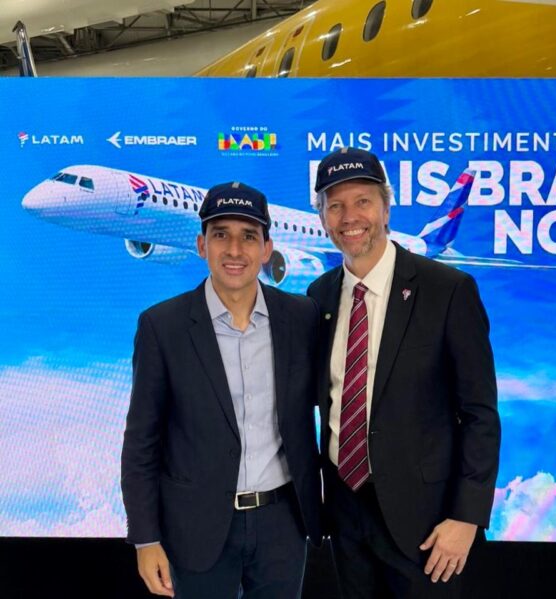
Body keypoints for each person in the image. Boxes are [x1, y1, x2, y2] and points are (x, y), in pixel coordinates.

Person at [307, 148, 501, 598]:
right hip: (346, 514)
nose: (349, 217)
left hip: (426, 523)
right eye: (335, 206)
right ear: (322, 217)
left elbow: (479, 414)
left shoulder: (447, 290)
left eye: (362, 202)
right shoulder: (319, 297)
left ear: (386, 208)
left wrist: (466, 517)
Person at [121, 182, 321, 598]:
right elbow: (142, 442)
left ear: (266, 249)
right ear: (201, 245)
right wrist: (145, 539)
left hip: (282, 524)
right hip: (196, 525)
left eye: (248, 236)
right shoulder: (162, 326)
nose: (234, 250)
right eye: (220, 235)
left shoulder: (301, 318)